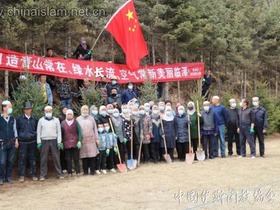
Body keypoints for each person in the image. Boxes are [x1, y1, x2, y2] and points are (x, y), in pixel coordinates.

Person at [37, 106, 64, 181]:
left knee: (56, 158)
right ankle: (43, 175)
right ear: (44, 112)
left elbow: (59, 131)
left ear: (52, 111)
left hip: (54, 140)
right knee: (43, 158)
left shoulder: (56, 120)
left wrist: (59, 142)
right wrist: (38, 142)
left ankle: (59, 173)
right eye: (47, 111)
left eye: (49, 111)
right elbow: (38, 132)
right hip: (44, 141)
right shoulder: (41, 120)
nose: (48, 113)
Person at [16, 102, 38, 182]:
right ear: (24, 110)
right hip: (22, 142)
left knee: (32, 158)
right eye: (26, 109)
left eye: (29, 109)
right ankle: (22, 175)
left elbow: (36, 129)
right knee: (22, 158)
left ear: (31, 109)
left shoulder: (34, 119)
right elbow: (17, 129)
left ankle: (33, 174)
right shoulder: (19, 119)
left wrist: (34, 135)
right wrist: (19, 138)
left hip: (32, 141)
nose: (28, 110)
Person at [76, 105, 99, 175]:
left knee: (92, 156)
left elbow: (95, 129)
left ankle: (92, 171)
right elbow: (77, 130)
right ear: (81, 111)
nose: (85, 111)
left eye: (86, 110)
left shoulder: (91, 118)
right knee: (84, 156)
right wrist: (78, 140)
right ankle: (85, 171)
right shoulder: (78, 119)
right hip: (83, 141)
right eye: (83, 110)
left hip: (91, 140)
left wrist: (97, 139)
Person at [0, 100, 19, 184]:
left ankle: (9, 177)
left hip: (11, 142)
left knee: (10, 161)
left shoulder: (12, 119)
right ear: (4, 108)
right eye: (9, 106)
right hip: (2, 143)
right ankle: (1, 177)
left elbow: (15, 130)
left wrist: (16, 140)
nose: (11, 108)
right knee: (2, 161)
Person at [61, 109, 82, 177]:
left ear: (72, 115)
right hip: (66, 143)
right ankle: (69, 172)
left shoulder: (76, 122)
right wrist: (60, 141)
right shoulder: (63, 123)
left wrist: (79, 140)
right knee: (68, 159)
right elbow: (61, 133)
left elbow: (80, 132)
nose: (69, 115)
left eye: (70, 114)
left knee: (76, 158)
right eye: (68, 114)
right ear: (66, 115)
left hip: (75, 143)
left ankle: (78, 171)